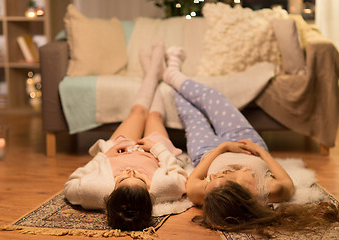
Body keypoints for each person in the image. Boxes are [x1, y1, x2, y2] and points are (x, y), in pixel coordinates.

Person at [163, 46, 339, 237]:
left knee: (192, 114)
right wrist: (261, 151)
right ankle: (170, 74)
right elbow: (287, 182)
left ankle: (169, 76)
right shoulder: (269, 190)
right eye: (219, 180)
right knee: (212, 96)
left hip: (207, 151)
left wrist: (221, 149)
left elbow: (194, 180)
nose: (210, 178)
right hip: (248, 142)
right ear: (237, 191)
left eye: (208, 185)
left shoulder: (208, 194)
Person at [64, 40, 187, 231]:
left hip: (119, 148)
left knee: (138, 111)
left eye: (121, 179)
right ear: (150, 193)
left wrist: (105, 155)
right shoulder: (165, 187)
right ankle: (154, 70)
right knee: (154, 115)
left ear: (111, 193)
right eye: (140, 177)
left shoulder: (93, 192)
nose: (129, 171)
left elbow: (70, 185)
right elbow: (180, 176)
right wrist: (156, 149)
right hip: (152, 149)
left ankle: (151, 70)